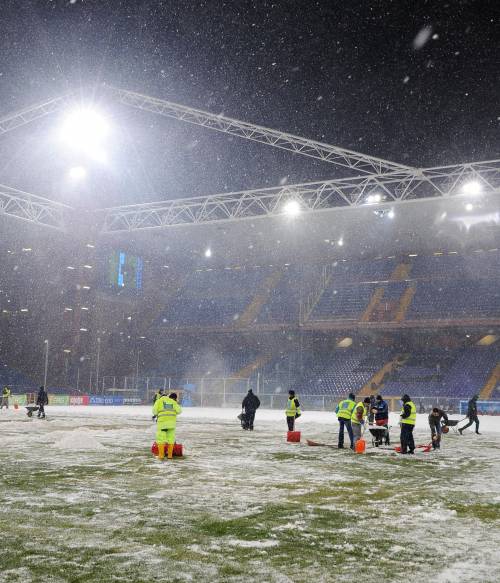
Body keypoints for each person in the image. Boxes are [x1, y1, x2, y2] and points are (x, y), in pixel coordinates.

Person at [152, 392, 182, 459]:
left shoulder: (159, 401)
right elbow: (179, 411)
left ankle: (161, 456)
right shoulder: (172, 401)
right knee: (171, 439)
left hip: (162, 423)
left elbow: (154, 411)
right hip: (171, 424)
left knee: (161, 439)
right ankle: (170, 456)